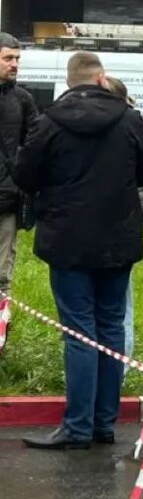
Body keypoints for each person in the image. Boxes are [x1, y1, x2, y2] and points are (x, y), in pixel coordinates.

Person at [16, 52, 143, 450]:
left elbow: (24, 174)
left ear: (69, 82)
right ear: (101, 78)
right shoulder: (130, 119)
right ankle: (102, 424)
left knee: (79, 334)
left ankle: (77, 427)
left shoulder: (49, 122)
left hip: (67, 240)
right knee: (111, 328)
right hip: (118, 240)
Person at [102, 77, 143, 369]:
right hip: (125, 229)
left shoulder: (126, 125)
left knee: (116, 304)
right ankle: (118, 368)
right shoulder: (134, 123)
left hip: (108, 230)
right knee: (120, 302)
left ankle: (117, 367)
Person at [0, 33, 37, 299]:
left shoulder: (23, 99)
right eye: (8, 58)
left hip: (8, 196)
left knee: (3, 271)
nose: (14, 64)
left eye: (17, 59)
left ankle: (2, 319)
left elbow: (35, 144)